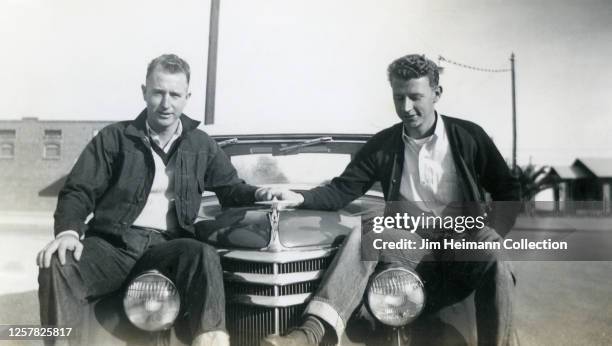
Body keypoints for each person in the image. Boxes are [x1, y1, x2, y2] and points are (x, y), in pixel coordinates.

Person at [261, 54, 521, 346]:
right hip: (411, 243)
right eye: (399, 98)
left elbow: (508, 191)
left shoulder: (469, 136)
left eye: (415, 97)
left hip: (463, 240)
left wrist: (493, 232)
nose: (406, 108)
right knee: (365, 232)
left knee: (496, 255)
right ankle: (310, 334)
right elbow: (342, 190)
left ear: (437, 94)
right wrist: (299, 197)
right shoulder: (383, 144)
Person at [36, 54, 270, 346]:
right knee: (58, 263)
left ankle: (211, 340)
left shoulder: (201, 144)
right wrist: (69, 231)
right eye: (158, 92)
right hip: (112, 246)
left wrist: (261, 193)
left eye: (175, 94)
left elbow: (231, 189)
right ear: (144, 91)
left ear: (187, 97)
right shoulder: (114, 138)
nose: (166, 103)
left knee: (203, 254)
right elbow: (79, 190)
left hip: (168, 248)